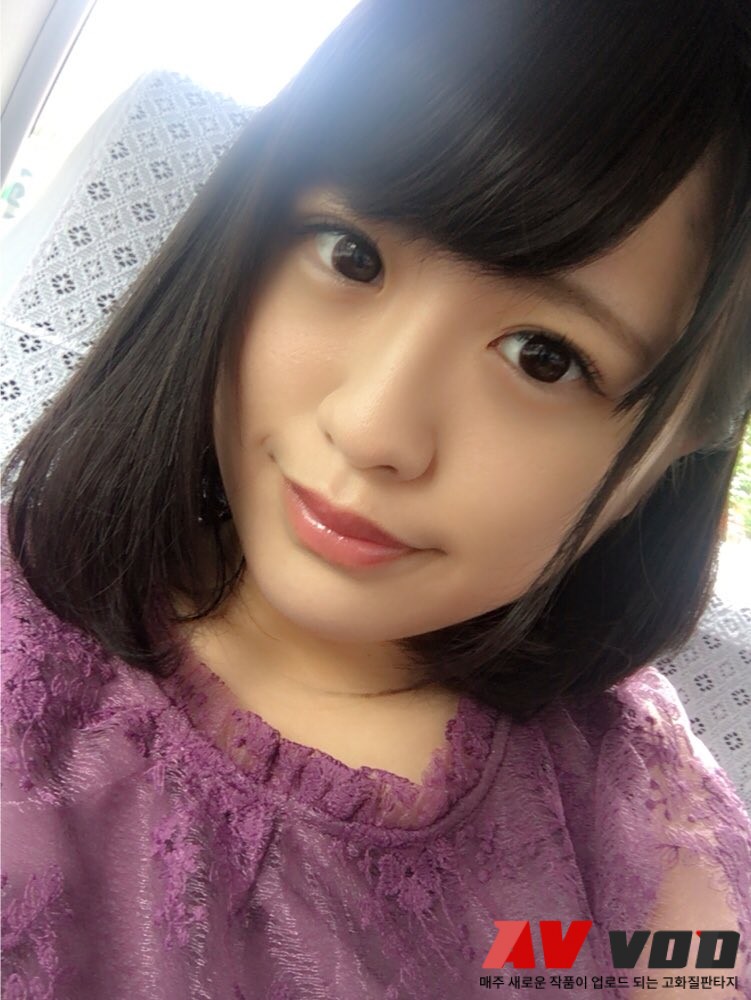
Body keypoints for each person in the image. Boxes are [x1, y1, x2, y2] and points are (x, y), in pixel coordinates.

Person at [2, 1, 750, 997]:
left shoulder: (635, 805)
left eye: (543, 357)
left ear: (684, 444)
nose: (370, 429)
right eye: (349, 254)